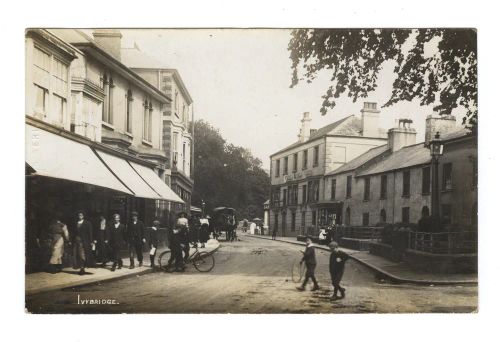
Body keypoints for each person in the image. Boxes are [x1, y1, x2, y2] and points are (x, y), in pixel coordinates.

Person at [70, 210, 94, 275]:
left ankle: (82, 268)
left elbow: (90, 232)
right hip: (76, 241)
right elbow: (73, 232)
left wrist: (91, 241)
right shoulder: (76, 223)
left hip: (84, 241)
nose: (80, 216)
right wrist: (71, 240)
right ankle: (79, 267)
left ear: (83, 216)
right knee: (76, 254)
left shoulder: (87, 223)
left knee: (82, 255)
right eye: (79, 215)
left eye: (81, 215)